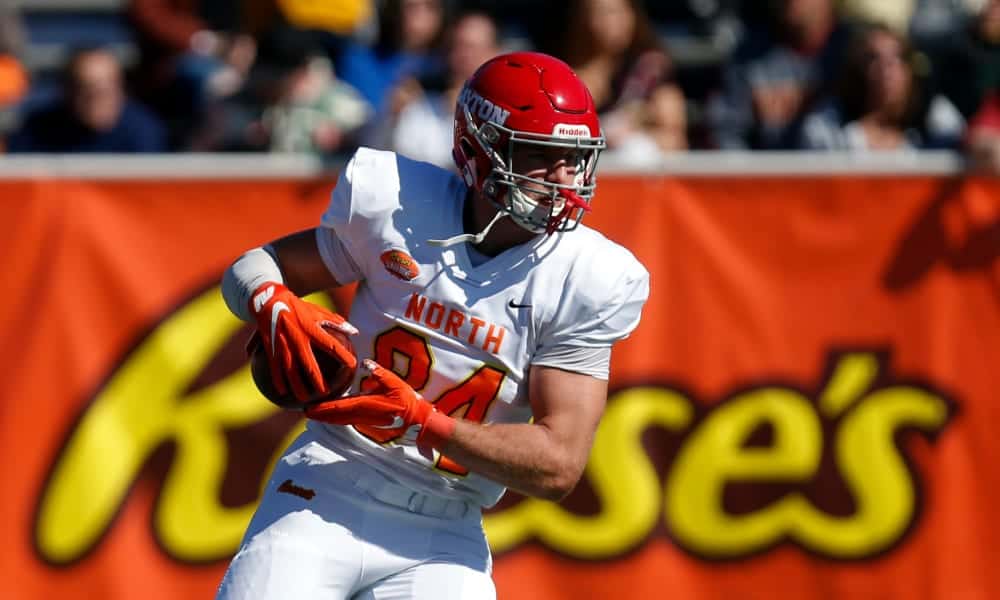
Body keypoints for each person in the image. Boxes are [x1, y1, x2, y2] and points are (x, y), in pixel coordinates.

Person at [216, 51, 649, 599]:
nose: (564, 176)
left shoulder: (587, 277)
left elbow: (558, 465)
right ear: (476, 150)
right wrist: (268, 300)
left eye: (574, 157)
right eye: (541, 154)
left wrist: (424, 421)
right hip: (327, 485)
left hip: (445, 530)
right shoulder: (399, 206)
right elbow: (253, 267)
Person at [798, 23, 965, 151]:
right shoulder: (826, 125)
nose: (887, 69)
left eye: (898, 58)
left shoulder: (937, 116)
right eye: (873, 59)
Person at [6, 47, 166, 153]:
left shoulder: (143, 132)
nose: (95, 98)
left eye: (105, 88)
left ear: (121, 90)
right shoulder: (36, 130)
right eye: (86, 87)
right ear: (67, 90)